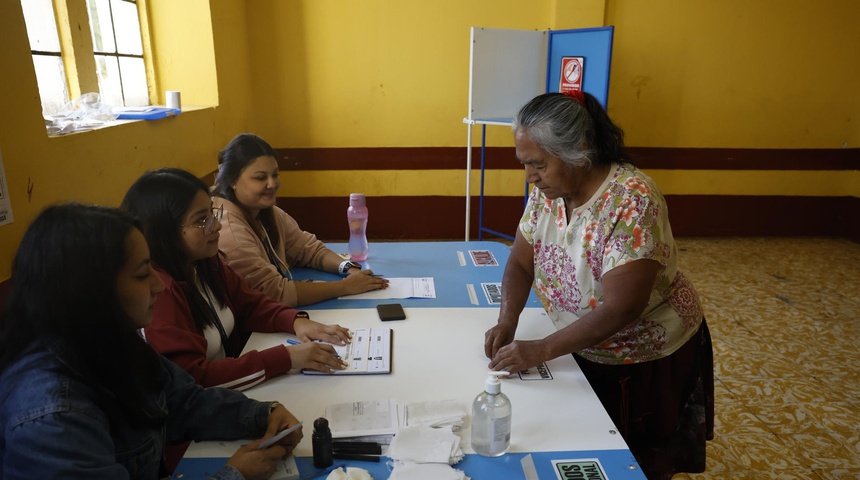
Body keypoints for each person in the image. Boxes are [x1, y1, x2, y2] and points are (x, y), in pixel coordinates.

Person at [483, 91, 714, 480]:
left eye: (538, 164)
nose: (529, 177)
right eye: (524, 164)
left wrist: (541, 349)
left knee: (634, 458)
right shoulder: (549, 191)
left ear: (579, 149)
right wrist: (508, 320)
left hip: (640, 352)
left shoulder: (632, 199)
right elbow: (521, 262)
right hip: (581, 343)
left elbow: (622, 308)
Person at [0, 203, 301, 480]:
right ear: (91, 291)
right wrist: (235, 475)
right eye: (143, 274)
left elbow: (184, 401)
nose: (158, 285)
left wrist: (264, 413)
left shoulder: (110, 342)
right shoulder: (53, 417)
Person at [121, 168, 350, 391]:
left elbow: (250, 304)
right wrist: (285, 358)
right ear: (165, 231)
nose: (217, 224)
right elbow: (194, 380)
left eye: (212, 212)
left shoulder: (205, 262)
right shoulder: (159, 293)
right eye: (202, 220)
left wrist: (296, 322)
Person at [212, 133, 388, 307]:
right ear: (232, 180)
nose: (272, 184)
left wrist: (348, 267)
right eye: (260, 178)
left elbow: (306, 248)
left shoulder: (266, 212)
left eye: (275, 174)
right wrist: (345, 287)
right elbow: (276, 293)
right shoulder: (229, 231)